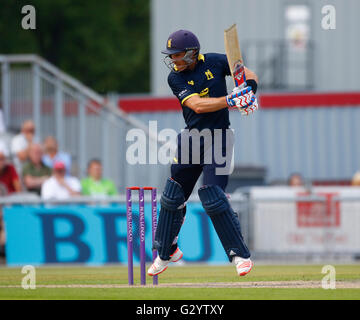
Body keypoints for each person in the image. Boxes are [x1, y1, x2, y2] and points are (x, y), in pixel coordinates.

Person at [148, 30, 259, 277]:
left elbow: (249, 74)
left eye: (177, 55)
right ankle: (166, 252)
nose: (173, 60)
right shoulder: (174, 78)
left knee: (213, 196)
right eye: (171, 56)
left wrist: (249, 91)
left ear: (192, 52)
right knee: (172, 195)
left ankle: (240, 255)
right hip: (192, 138)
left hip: (219, 138)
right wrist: (232, 99)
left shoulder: (217, 61)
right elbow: (197, 104)